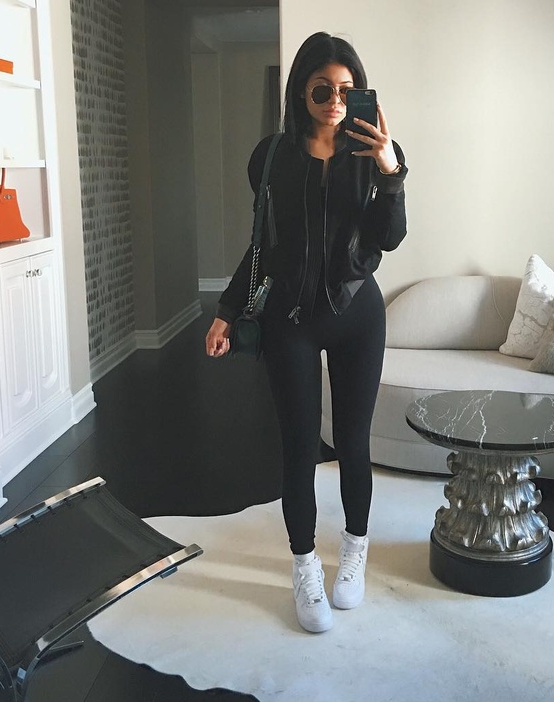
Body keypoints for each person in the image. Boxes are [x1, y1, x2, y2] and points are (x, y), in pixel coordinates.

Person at [205, 31, 407, 633]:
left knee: (353, 442)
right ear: (301, 91)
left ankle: (355, 550)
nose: (335, 100)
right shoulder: (270, 157)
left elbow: (389, 238)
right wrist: (227, 309)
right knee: (298, 446)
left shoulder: (374, 154)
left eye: (347, 89)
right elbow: (264, 247)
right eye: (323, 89)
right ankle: (304, 565)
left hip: (357, 315)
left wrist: (390, 171)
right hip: (288, 319)